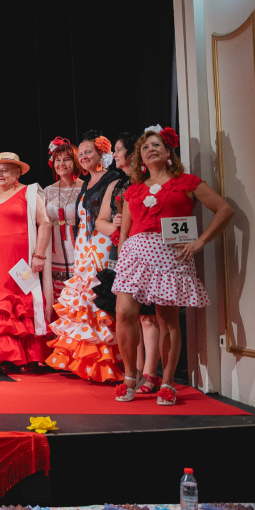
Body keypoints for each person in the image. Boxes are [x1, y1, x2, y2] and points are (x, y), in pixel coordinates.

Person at [111, 126, 233, 404]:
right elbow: (126, 232)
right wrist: (121, 259)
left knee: (167, 321)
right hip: (136, 256)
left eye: (156, 146)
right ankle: (130, 376)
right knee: (124, 314)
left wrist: (200, 242)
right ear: (140, 158)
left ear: (168, 153)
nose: (150, 150)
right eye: (145, 148)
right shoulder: (133, 190)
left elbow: (225, 210)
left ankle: (167, 381)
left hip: (170, 256)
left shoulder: (187, 182)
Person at [46, 131, 126, 382]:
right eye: (80, 154)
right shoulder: (89, 182)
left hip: (102, 245)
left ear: (102, 153)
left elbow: (118, 212)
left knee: (98, 299)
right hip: (84, 245)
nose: (83, 157)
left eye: (87, 152)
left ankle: (107, 363)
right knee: (83, 302)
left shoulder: (113, 179)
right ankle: (87, 362)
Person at [0, 152, 53, 372]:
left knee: (22, 303)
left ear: (17, 173)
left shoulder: (28, 192)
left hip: (21, 260)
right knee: (3, 304)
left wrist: (39, 255)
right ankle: (8, 354)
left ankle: (28, 356)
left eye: (5, 170)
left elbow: (45, 223)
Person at [98, 132, 162, 393]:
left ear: (131, 154)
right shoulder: (115, 185)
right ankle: (132, 373)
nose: (114, 155)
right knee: (127, 316)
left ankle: (151, 374)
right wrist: (113, 224)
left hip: (149, 250)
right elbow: (100, 222)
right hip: (119, 251)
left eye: (118, 150)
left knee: (148, 317)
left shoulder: (151, 183)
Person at [43, 137, 81, 308]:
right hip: (54, 249)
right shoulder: (48, 191)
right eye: (58, 160)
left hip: (78, 247)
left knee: (79, 293)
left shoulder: (85, 188)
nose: (61, 163)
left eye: (67, 159)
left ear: (76, 162)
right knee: (57, 296)